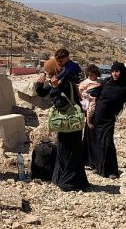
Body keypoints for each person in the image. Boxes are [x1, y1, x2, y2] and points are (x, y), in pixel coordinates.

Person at [35, 49, 90, 191]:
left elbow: (60, 102)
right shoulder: (57, 77)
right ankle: (62, 179)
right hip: (65, 122)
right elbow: (42, 93)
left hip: (70, 119)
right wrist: (39, 84)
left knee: (70, 150)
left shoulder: (67, 77)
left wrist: (55, 87)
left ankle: (70, 182)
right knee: (64, 149)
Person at [92, 61, 126, 179]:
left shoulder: (125, 88)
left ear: (121, 72)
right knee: (97, 142)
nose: (114, 74)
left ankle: (112, 170)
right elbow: (95, 96)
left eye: (117, 71)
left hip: (109, 118)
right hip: (98, 116)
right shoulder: (106, 82)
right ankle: (99, 166)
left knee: (108, 143)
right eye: (112, 71)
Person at [79, 64, 102, 170]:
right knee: (91, 139)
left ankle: (91, 161)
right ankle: (90, 161)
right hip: (91, 115)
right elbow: (87, 102)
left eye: (94, 75)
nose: (92, 76)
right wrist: (88, 120)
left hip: (96, 114)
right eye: (90, 74)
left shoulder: (99, 83)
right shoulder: (87, 84)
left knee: (92, 139)